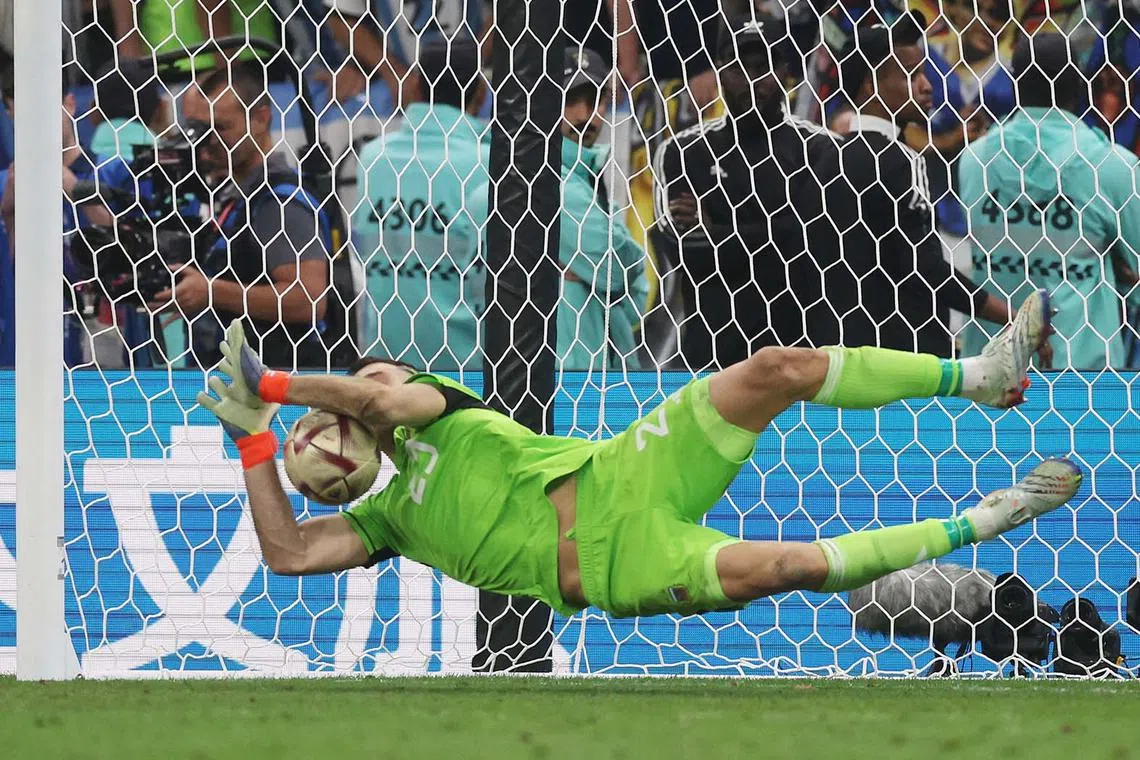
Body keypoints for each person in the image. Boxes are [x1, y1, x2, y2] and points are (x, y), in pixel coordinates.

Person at [196, 290, 1081, 621]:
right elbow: (289, 553)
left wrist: (272, 383)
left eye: (378, 369)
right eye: (366, 373)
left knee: (776, 369)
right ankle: (987, 518)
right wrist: (256, 444)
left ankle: (982, 372)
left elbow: (378, 399)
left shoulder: (436, 408)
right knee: (794, 566)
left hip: (626, 468)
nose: (375, 377)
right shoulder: (387, 518)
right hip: (621, 567)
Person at [809, 11, 1013, 358]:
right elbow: (925, 268)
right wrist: (1008, 315)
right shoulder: (903, 161)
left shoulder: (822, 154)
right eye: (911, 76)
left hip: (838, 354)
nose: (927, 86)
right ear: (870, 86)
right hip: (907, 358)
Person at [654, 15, 836, 370]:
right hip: (712, 356)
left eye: (763, 66)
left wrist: (717, 231)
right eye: (739, 67)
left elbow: (815, 245)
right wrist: (780, 233)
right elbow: (685, 252)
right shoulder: (684, 151)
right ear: (719, 71)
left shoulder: (820, 149)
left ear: (786, 71)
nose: (752, 80)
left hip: (798, 353)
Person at [959, 33, 1140, 370]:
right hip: (1084, 376)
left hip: (990, 372)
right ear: (1079, 86)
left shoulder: (974, 161)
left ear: (1015, 86)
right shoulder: (1112, 167)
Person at [147, 64, 331, 369]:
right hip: (240, 385)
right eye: (201, 129)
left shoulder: (278, 200)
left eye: (221, 127)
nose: (208, 142)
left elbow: (308, 300)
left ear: (260, 118)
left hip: (274, 389)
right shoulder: (237, 194)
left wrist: (210, 292)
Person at [352, 39, 488, 370]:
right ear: (481, 94)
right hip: (463, 368)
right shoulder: (487, 163)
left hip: (383, 364)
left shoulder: (373, 158)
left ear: (413, 84)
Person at [557, 48, 648, 371]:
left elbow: (638, 287)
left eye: (596, 100)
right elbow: (615, 265)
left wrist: (583, 273)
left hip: (601, 368)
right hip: (565, 375)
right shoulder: (546, 182)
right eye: (571, 100)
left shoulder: (588, 177)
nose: (585, 116)